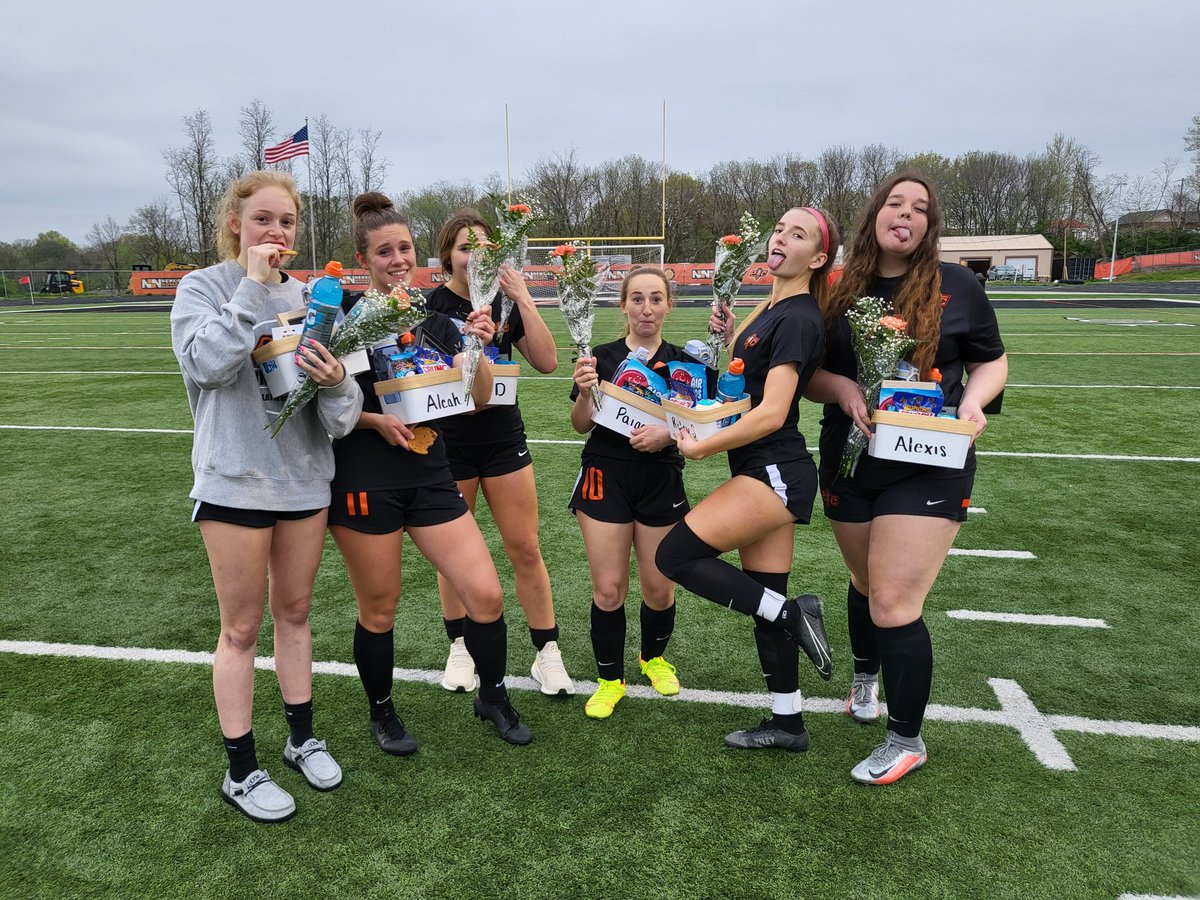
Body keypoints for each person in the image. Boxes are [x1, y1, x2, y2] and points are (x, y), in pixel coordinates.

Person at [170, 171, 363, 823]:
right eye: (262, 219)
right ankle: (241, 770)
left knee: (297, 613)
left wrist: (337, 380)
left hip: (305, 482)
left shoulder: (318, 297)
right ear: (235, 222)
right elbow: (206, 364)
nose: (275, 232)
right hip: (234, 483)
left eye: (286, 221)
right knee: (242, 627)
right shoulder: (203, 287)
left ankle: (302, 738)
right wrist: (253, 286)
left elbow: (339, 417)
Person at [806, 174, 1008, 785]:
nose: (907, 214)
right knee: (865, 581)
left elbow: (991, 359)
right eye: (896, 203)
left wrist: (973, 402)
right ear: (875, 216)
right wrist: (841, 388)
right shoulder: (838, 287)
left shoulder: (959, 285)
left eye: (920, 209)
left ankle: (906, 739)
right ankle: (865, 674)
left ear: (929, 226)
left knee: (894, 601)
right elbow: (805, 369)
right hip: (851, 457)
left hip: (930, 460)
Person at [327, 192, 533, 749]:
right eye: (385, 251)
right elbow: (322, 405)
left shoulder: (435, 319)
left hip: (429, 472)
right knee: (380, 605)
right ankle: (382, 711)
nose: (397, 259)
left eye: (405, 248)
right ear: (363, 258)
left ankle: (493, 696)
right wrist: (374, 421)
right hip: (365, 477)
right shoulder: (343, 319)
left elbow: (483, 398)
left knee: (485, 595)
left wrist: (479, 353)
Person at [655, 207, 839, 752]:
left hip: (774, 471)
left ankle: (794, 613)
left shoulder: (801, 315)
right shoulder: (774, 304)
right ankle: (788, 723)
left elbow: (772, 411)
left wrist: (700, 446)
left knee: (675, 558)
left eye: (798, 234)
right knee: (764, 599)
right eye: (779, 229)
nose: (782, 238)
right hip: (766, 469)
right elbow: (743, 384)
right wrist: (735, 335)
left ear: (819, 257)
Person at [426, 209, 573, 697]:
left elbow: (549, 362)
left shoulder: (505, 304)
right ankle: (461, 644)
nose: (474, 258)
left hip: (503, 438)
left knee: (525, 547)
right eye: (465, 248)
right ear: (448, 254)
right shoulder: (430, 306)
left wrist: (523, 297)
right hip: (450, 441)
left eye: (484, 249)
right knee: (454, 555)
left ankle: (546, 651)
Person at [569, 266, 710, 719]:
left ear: (668, 305)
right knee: (608, 589)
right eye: (637, 299)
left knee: (659, 588)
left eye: (655, 299)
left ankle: (653, 659)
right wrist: (585, 395)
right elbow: (580, 425)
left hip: (660, 480)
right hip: (605, 477)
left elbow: (700, 428)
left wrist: (666, 436)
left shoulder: (687, 363)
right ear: (624, 305)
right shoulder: (599, 357)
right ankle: (610, 679)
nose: (646, 308)